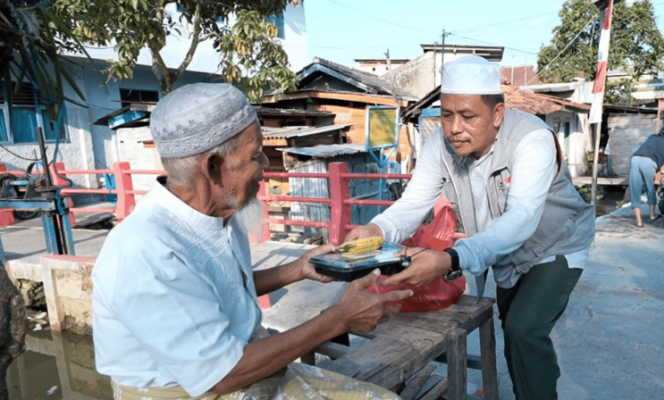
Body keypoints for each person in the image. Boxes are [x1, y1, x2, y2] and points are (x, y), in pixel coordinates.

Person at [92, 83, 412, 400]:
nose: (265, 166)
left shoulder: (220, 214)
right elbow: (223, 374)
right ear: (213, 167)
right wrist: (339, 318)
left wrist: (299, 269)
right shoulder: (146, 249)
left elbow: (221, 290)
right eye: (255, 154)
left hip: (248, 367)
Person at [345, 56, 595, 400]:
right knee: (513, 330)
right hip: (502, 252)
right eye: (447, 115)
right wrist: (376, 230)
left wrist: (449, 259)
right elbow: (413, 203)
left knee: (525, 329)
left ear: (497, 115)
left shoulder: (532, 139)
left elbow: (521, 219)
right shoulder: (440, 146)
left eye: (468, 116)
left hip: (555, 246)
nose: (454, 128)